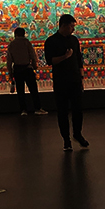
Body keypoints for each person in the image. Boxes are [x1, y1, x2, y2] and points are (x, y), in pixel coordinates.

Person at [44, 14, 88, 151]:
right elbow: (50, 61)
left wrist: (81, 78)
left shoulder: (74, 40)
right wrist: (65, 57)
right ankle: (66, 140)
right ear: (64, 25)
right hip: (61, 81)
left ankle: (77, 134)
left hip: (75, 80)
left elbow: (79, 59)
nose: (73, 29)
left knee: (78, 109)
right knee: (62, 111)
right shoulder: (51, 41)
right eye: (71, 26)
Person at [6, 27, 47, 116]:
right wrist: (34, 66)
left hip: (17, 69)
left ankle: (23, 110)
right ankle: (37, 108)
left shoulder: (12, 44)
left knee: (20, 91)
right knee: (33, 89)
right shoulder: (27, 43)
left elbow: (9, 60)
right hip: (27, 68)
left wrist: (10, 72)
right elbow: (33, 55)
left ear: (15, 34)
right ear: (24, 34)